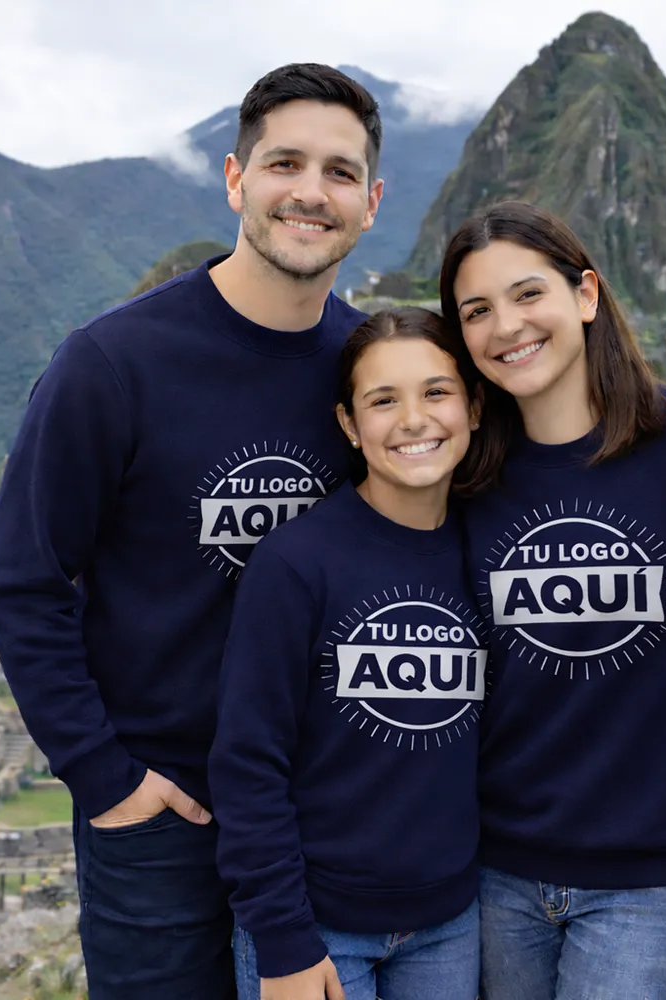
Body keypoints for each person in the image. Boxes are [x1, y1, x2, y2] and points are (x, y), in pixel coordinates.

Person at [0, 63, 383, 1000]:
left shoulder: (372, 374)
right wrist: (107, 781)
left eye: (339, 172)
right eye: (284, 163)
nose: (311, 191)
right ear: (237, 179)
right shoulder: (113, 364)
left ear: (370, 203)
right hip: (166, 814)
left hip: (325, 808)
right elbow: (25, 580)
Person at [438, 201, 666, 1000]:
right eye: (477, 311)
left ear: (585, 294)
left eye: (527, 294)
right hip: (497, 871)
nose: (507, 326)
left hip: (649, 879)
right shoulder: (460, 474)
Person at [209, 307, 485, 1000]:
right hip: (317, 927)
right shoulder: (297, 564)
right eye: (383, 401)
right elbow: (248, 761)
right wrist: (283, 940)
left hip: (450, 924)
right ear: (349, 424)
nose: (414, 420)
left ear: (474, 408)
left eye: (436, 392)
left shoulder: (489, 558)